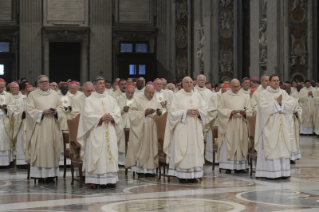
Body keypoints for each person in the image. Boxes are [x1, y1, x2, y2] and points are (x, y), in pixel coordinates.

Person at [77, 76, 122, 188]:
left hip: (109, 130)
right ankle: (94, 180)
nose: (102, 85)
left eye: (103, 83)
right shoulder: (89, 100)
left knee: (109, 153)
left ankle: (110, 180)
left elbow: (117, 112)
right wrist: (101, 118)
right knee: (97, 154)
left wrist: (111, 116)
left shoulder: (111, 99)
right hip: (95, 131)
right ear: (95, 86)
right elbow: (87, 116)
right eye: (100, 83)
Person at [164, 77, 207, 183]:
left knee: (194, 150)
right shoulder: (177, 96)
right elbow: (172, 112)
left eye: (191, 82)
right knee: (183, 149)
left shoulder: (197, 95)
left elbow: (205, 109)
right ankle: (182, 175)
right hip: (182, 127)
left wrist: (199, 112)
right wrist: (185, 112)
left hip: (195, 127)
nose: (189, 84)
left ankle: (194, 175)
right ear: (182, 84)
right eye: (186, 82)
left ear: (193, 84)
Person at [255, 74, 296, 179]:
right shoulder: (264, 94)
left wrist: (281, 103)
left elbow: (291, 103)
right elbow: (263, 108)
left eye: (278, 80)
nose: (276, 82)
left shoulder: (283, 93)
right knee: (272, 148)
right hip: (270, 127)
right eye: (274, 80)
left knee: (282, 148)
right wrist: (276, 103)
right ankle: (270, 173)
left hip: (282, 127)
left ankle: (284, 172)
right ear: (269, 82)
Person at [26, 75, 63, 183]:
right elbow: (29, 110)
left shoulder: (55, 94)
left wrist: (56, 112)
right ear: (38, 84)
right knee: (40, 149)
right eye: (42, 82)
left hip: (52, 126)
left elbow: (61, 108)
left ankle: (51, 175)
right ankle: (39, 175)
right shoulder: (33, 95)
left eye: (46, 81)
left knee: (51, 149)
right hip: (39, 127)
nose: (45, 83)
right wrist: (42, 112)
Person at [125, 84, 162, 178]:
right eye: (149, 93)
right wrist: (144, 113)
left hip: (152, 128)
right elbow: (131, 114)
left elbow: (159, 115)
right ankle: (140, 169)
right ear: (145, 91)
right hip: (141, 129)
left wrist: (159, 113)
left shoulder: (155, 101)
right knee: (141, 147)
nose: (151, 95)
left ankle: (151, 169)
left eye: (153, 93)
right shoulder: (137, 100)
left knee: (151, 147)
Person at [217, 79, 250, 174]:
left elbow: (249, 109)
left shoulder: (245, 96)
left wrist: (245, 113)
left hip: (241, 122)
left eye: (238, 86)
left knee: (241, 143)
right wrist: (230, 112)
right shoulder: (224, 96)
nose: (236, 88)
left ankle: (240, 167)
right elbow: (220, 110)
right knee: (229, 143)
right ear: (231, 86)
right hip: (229, 123)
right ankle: (228, 166)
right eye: (234, 86)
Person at [194, 75, 217, 164]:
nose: (202, 82)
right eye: (200, 80)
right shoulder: (193, 91)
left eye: (203, 80)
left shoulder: (209, 92)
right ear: (197, 81)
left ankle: (208, 157)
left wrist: (206, 113)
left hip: (207, 118)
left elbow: (213, 106)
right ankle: (197, 158)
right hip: (196, 117)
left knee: (208, 136)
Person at [4, 82, 26, 166]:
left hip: (19, 123)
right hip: (9, 123)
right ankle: (10, 159)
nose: (12, 89)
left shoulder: (23, 98)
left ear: (18, 88)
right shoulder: (7, 97)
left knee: (20, 140)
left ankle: (19, 159)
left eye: (14, 87)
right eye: (11, 88)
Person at [283, 84, 302, 164]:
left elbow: (299, 109)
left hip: (292, 123)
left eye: (289, 89)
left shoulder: (294, 99)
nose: (288, 91)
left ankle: (292, 157)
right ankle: (284, 156)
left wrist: (297, 112)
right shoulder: (280, 99)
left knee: (292, 139)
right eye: (286, 89)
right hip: (284, 122)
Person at [116, 85, 135, 165]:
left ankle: (131, 161)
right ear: (125, 91)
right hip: (122, 124)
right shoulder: (118, 99)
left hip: (133, 124)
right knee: (122, 143)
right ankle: (121, 162)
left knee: (132, 143)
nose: (130, 95)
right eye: (128, 92)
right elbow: (115, 112)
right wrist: (122, 110)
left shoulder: (136, 100)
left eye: (132, 93)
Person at [0, 79, 13, 167]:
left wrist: (6, 108)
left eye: (2, 87)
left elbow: (12, 107)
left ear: (4, 87)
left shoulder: (8, 95)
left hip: (5, 120)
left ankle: (5, 163)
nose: (0, 89)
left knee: (4, 139)